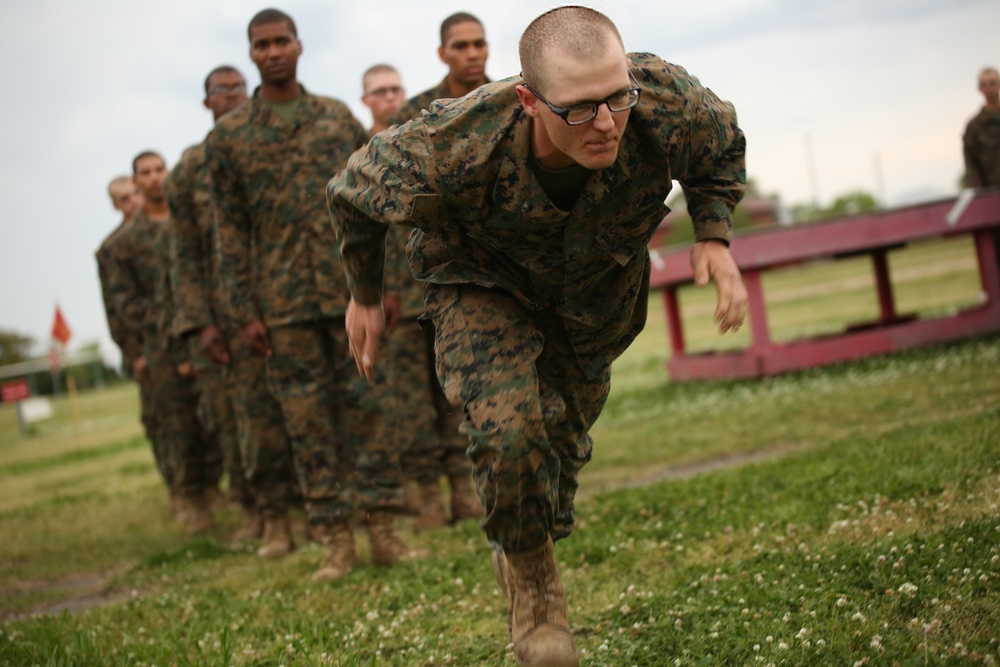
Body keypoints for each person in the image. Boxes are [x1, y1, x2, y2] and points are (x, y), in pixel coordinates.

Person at [328, 6, 748, 665]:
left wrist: (714, 235)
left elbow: (719, 149)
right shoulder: (457, 139)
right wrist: (365, 294)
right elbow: (353, 192)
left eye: (617, 98)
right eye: (580, 108)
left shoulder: (665, 100)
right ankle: (536, 595)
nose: (606, 122)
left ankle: (529, 532)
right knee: (508, 434)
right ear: (529, 99)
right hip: (482, 282)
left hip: (593, 293)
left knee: (556, 448)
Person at [207, 8, 423, 583]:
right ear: (252, 53)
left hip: (349, 292)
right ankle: (334, 541)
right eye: (262, 44)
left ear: (300, 46)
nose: (274, 51)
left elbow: (374, 201)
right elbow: (228, 233)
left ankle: (383, 531)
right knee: (307, 425)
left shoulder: (335, 118)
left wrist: (388, 285)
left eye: (282, 40)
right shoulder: (227, 139)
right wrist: (242, 311)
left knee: (371, 409)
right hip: (281, 307)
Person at [167, 65, 300, 548]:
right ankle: (268, 515)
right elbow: (184, 255)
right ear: (206, 103)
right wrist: (199, 322)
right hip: (230, 315)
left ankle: (313, 510)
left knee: (302, 412)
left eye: (237, 88)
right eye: (219, 91)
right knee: (251, 418)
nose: (230, 97)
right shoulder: (189, 169)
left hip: (288, 300)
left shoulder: (270, 142)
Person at [380, 13, 492, 529]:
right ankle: (424, 494)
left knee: (465, 387)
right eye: (461, 45)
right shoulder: (415, 112)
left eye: (479, 43)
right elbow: (385, 200)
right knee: (411, 396)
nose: (473, 53)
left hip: (484, 276)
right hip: (414, 280)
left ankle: (467, 490)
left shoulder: (513, 100)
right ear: (442, 53)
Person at [107, 151, 223, 534]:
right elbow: (124, 301)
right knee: (178, 422)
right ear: (135, 181)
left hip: (204, 330)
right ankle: (190, 497)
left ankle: (215, 486)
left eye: (160, 170)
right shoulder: (122, 244)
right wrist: (164, 321)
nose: (155, 178)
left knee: (215, 414)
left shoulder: (188, 222)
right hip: (162, 343)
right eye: (146, 173)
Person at [96, 177, 162, 485]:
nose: (133, 200)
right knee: (160, 419)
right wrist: (134, 353)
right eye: (125, 198)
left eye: (135, 193)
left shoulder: (165, 227)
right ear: (114, 205)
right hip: (145, 345)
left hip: (176, 337)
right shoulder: (111, 249)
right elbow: (115, 309)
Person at [963, 66, 1000, 263]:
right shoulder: (975, 127)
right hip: (993, 199)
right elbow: (972, 169)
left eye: (993, 83)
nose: (989, 88)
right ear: (979, 89)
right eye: (984, 85)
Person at [360, 64, 406, 137]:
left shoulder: (426, 134)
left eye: (395, 89)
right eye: (380, 91)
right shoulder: (358, 146)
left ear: (404, 93)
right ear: (365, 100)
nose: (390, 97)